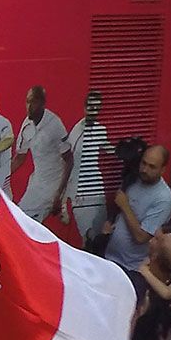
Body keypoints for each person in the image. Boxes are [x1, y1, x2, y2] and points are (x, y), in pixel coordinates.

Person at [103, 145, 171, 270]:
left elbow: (141, 237)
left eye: (152, 167)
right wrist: (111, 223)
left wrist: (125, 206)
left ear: (163, 170)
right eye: (143, 163)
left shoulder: (163, 199)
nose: (145, 170)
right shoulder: (135, 179)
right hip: (109, 257)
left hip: (130, 267)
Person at [13, 86, 68, 223]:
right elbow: (20, 157)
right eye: (27, 102)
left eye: (33, 102)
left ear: (43, 103)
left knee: (24, 223)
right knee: (24, 222)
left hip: (53, 186)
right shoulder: (26, 125)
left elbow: (69, 160)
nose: (29, 106)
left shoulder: (55, 125)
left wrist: (59, 194)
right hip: (36, 183)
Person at [62, 91, 111, 241]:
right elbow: (68, 164)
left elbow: (109, 149)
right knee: (87, 237)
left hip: (96, 191)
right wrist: (64, 202)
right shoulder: (76, 131)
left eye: (97, 108)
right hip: (79, 193)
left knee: (101, 235)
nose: (93, 112)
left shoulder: (101, 130)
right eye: (91, 107)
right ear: (84, 107)